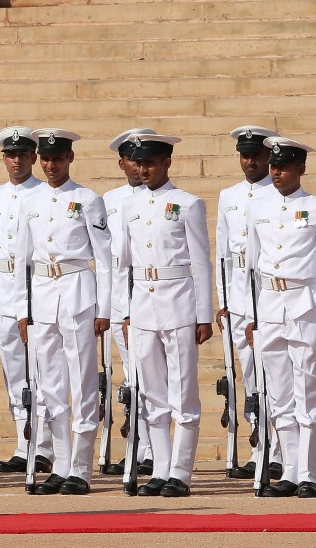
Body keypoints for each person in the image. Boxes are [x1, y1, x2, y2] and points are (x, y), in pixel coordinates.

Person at [11, 128, 110, 495]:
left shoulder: (87, 199)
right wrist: (23, 309)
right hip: (42, 295)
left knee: (83, 382)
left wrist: (105, 306)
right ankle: (61, 463)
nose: (52, 165)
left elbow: (104, 258)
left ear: (70, 158)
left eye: (58, 158)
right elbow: (21, 260)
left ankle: (81, 468)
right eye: (47, 159)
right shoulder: (30, 200)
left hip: (77, 291)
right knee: (51, 385)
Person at [117, 132, 212, 498]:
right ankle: (159, 467)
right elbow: (122, 264)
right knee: (151, 394)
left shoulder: (188, 203)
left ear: (167, 162)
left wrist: (203, 314)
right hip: (142, 305)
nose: (143, 169)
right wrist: (124, 311)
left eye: (150, 163)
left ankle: (181, 472)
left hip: (179, 304)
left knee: (183, 392)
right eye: (138, 163)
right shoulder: (129, 205)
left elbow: (201, 262)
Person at [244, 136, 316, 498]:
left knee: (308, 389)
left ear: (301, 167)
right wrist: (253, 315)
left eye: (284, 166)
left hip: (305, 304)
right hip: (269, 305)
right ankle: (289, 471)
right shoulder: (258, 207)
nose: (276, 172)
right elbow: (251, 267)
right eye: (273, 166)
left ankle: (309, 476)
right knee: (280, 394)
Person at [0, 126, 54, 475]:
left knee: (40, 373)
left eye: (23, 154)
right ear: (3, 158)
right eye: (11, 154)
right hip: (4, 296)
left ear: (33, 158)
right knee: (13, 376)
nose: (17, 160)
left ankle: (45, 446)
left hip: (36, 292)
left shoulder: (43, 193)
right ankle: (24, 444)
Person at [215, 125, 283, 480]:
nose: (250, 161)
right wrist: (224, 300)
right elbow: (222, 254)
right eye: (245, 155)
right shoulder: (229, 196)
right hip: (239, 299)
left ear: (269, 156)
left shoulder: (281, 194)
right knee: (250, 378)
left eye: (256, 155)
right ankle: (260, 449)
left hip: (271, 297)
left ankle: (282, 451)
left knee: (276, 374)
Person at [102, 128, 156, 477]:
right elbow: (105, 258)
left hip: (153, 298)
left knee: (152, 379)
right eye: (132, 161)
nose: (138, 168)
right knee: (130, 378)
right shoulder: (109, 200)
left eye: (143, 161)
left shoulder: (169, 200)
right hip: (120, 299)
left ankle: (152, 451)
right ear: (122, 163)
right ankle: (136, 446)